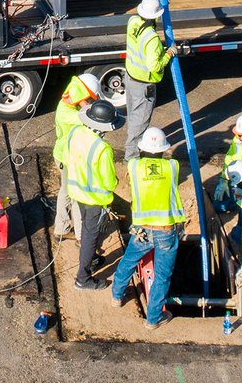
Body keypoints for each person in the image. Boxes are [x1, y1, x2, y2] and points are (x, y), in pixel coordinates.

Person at [110, 127, 186, 330]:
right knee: (162, 276)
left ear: (142, 148)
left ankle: (116, 296)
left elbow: (134, 167)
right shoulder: (172, 166)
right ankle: (153, 319)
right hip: (166, 231)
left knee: (129, 260)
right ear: (163, 149)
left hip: (142, 230)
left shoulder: (134, 166)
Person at [63, 99, 122, 290]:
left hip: (77, 192)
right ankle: (83, 278)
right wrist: (114, 183)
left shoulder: (75, 132)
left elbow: (67, 157)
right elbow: (109, 181)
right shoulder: (102, 148)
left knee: (87, 230)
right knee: (90, 236)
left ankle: (92, 259)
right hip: (95, 200)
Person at [123, 0, 176, 161]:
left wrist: (161, 2)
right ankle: (131, 159)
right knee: (139, 123)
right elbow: (154, 66)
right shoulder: (152, 38)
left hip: (131, 77)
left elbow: (149, 19)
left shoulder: (133, 21)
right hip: (144, 85)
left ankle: (132, 151)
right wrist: (168, 54)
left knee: (133, 117)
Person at [52, 72, 101, 241]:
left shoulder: (65, 104)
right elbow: (90, 118)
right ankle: (80, 236)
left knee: (65, 191)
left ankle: (62, 228)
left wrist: (83, 99)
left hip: (62, 155)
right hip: (68, 158)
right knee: (75, 195)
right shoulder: (72, 116)